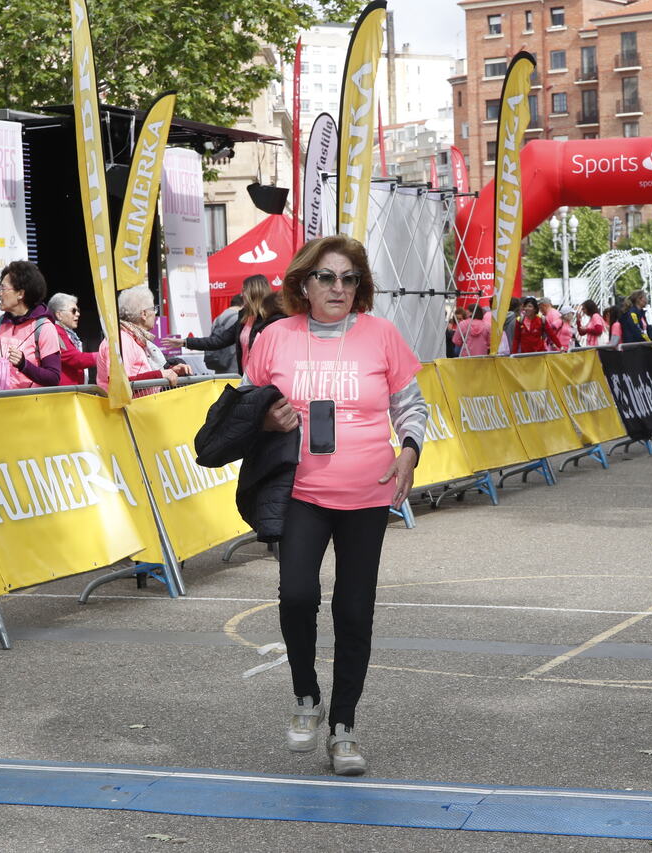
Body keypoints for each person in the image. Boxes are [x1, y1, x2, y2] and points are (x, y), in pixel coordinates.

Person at [245, 234, 428, 776]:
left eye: (349, 279)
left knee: (353, 610)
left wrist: (410, 452)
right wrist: (264, 420)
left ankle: (344, 727)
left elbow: (411, 406)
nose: (338, 287)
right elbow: (242, 406)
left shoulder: (382, 335)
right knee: (297, 596)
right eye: (326, 277)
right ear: (304, 283)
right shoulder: (275, 337)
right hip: (300, 492)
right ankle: (307, 697)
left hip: (368, 494)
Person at [0, 260, 62, 391]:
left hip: (31, 402)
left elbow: (53, 377)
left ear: (20, 293)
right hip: (2, 401)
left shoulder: (44, 327)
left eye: (3, 288)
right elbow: (0, 365)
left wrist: (24, 365)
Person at [97, 285, 192, 397]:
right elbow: (119, 384)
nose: (155, 313)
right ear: (144, 314)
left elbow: (142, 373)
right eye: (154, 308)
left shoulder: (132, 337)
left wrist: (172, 371)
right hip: (126, 407)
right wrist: (161, 374)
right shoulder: (122, 340)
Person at [164, 275, 271, 374]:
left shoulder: (271, 320)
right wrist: (185, 342)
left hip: (264, 376)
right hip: (247, 377)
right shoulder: (243, 318)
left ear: (254, 292)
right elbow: (218, 341)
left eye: (244, 291)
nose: (242, 295)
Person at [48, 292, 97, 385]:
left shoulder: (67, 333)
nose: (78, 314)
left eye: (78, 310)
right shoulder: (55, 332)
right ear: (59, 315)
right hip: (65, 392)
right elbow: (75, 359)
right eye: (73, 311)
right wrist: (103, 354)